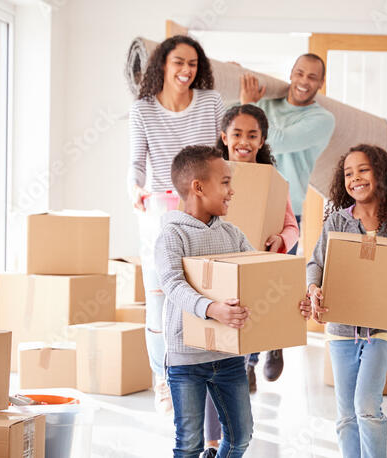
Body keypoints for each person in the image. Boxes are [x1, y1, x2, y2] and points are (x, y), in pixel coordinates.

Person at [155, 145, 313, 457]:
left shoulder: (232, 234)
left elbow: (258, 277)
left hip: (227, 355)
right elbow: (172, 283)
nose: (232, 191)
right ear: (198, 187)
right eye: (225, 182)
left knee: (241, 436)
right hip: (186, 357)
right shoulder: (172, 235)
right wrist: (212, 309)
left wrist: (295, 304)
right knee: (189, 443)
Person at [127, 34, 224, 418]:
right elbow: (136, 162)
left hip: (204, 213)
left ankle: (204, 380)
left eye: (193, 64)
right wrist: (134, 187)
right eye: (179, 63)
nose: (186, 71)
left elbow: (224, 152)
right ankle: (162, 380)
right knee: (160, 304)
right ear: (162, 66)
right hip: (160, 213)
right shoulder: (143, 110)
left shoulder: (211, 102)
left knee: (202, 296)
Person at [306, 144, 387, 458]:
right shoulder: (336, 223)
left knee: (366, 407)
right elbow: (316, 263)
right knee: (346, 415)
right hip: (342, 331)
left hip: (381, 331)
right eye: (348, 173)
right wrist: (313, 287)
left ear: (381, 175)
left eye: (363, 170)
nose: (354, 178)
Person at [238, 53, 336, 381]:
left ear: (320, 83)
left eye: (312, 77)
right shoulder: (269, 104)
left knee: (275, 288)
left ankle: (274, 343)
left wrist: (250, 105)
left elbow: (276, 139)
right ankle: (248, 364)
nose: (304, 81)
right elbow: (239, 131)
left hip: (287, 210)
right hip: (251, 202)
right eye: (299, 73)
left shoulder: (323, 119)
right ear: (291, 74)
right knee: (247, 287)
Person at [216, 104, 301, 393]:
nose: (244, 141)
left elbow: (292, 227)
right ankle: (246, 366)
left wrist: (281, 240)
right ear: (224, 137)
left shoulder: (272, 181)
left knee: (253, 316)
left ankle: (259, 356)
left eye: (252, 135)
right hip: (223, 265)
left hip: (259, 264)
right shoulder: (211, 175)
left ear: (261, 141)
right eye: (237, 134)